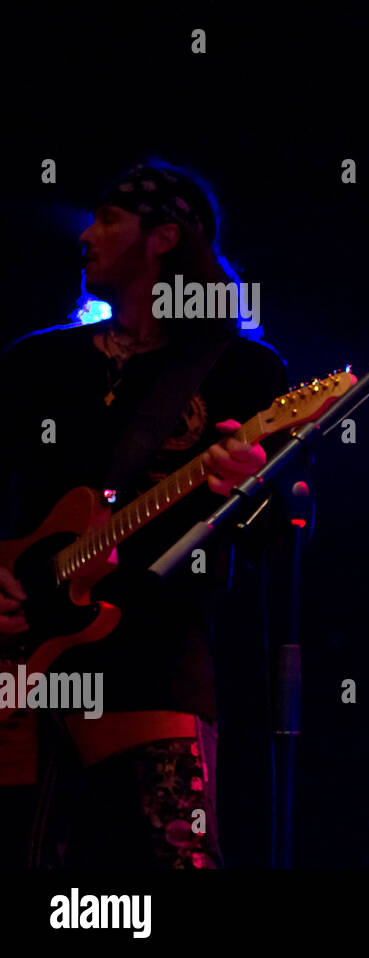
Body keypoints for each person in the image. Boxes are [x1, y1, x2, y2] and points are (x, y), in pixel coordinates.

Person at [0, 161, 289, 868]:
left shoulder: (242, 373)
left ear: (163, 238)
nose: (86, 237)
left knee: (172, 854)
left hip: (154, 652)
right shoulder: (37, 364)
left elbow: (274, 535)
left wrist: (248, 491)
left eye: (108, 219)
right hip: (19, 651)